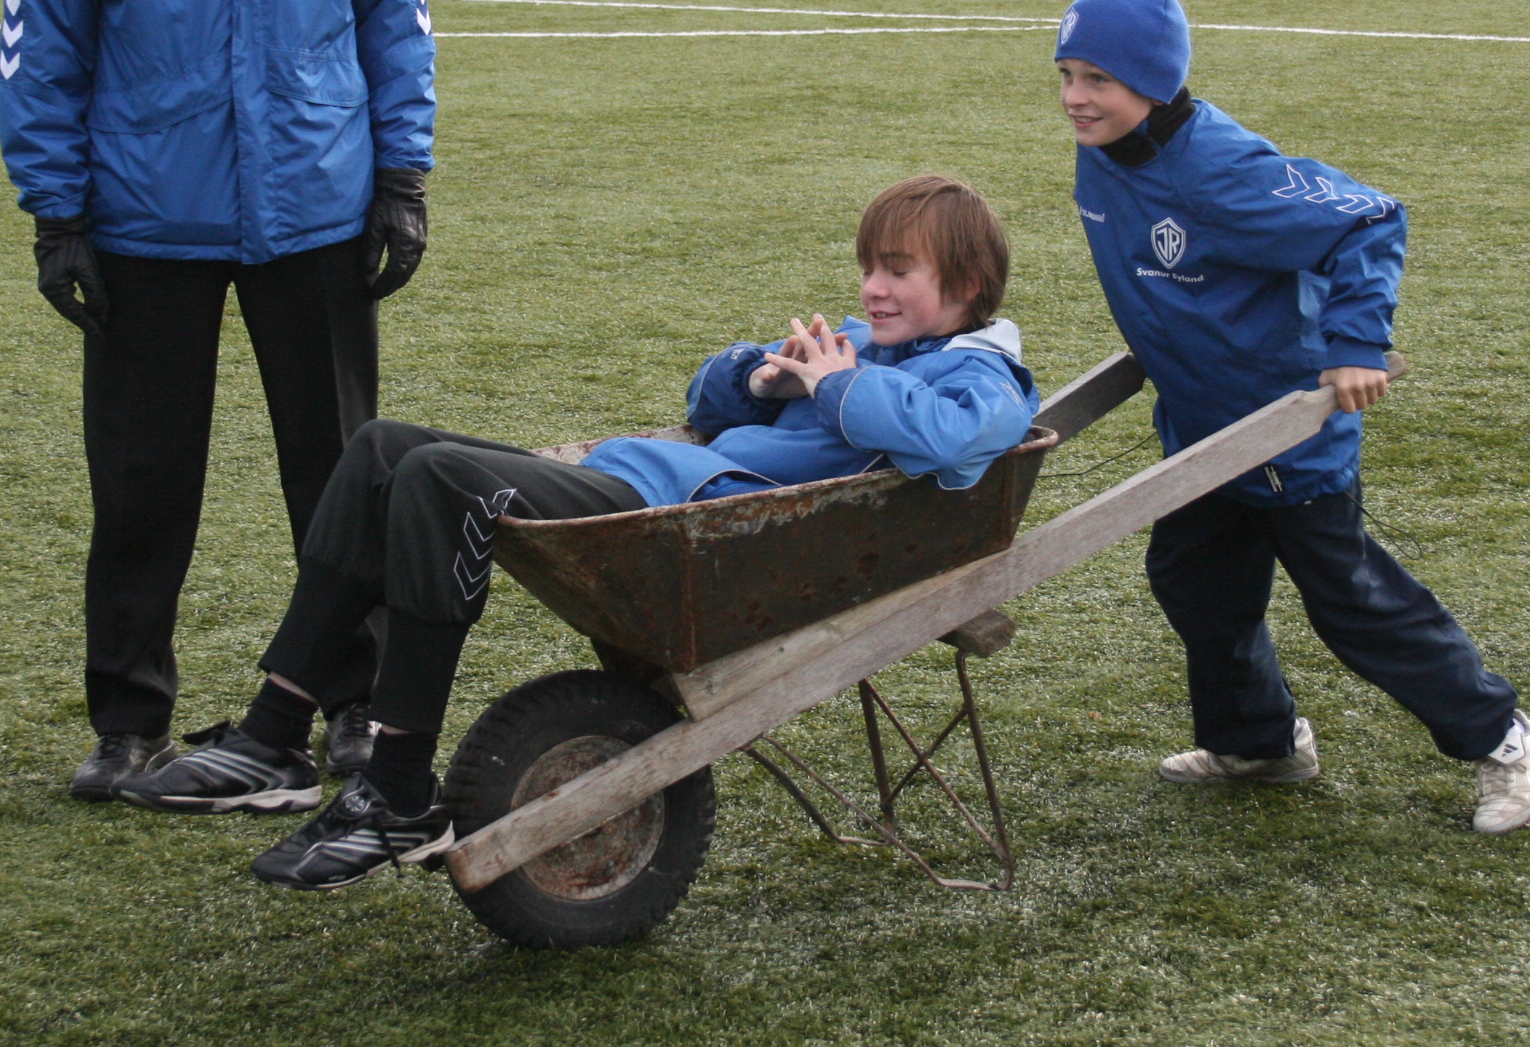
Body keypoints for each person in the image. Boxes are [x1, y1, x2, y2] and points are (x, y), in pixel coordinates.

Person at [119, 175, 1043, 892]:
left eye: (899, 271)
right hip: (651, 487)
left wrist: (836, 386)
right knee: (377, 451)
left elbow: (950, 439)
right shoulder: (861, 343)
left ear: (964, 284)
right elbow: (707, 409)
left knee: (438, 480)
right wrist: (758, 378)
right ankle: (275, 734)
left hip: (686, 522)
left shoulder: (981, 374)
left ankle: (397, 790)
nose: (873, 288)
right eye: (870, 266)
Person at [0, 0, 436, 803]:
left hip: (316, 208)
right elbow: (42, 42)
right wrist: (57, 213)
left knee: (340, 476)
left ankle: (354, 706)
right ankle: (129, 718)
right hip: (147, 221)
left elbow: (393, 6)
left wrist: (400, 176)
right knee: (140, 484)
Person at [1052, 0, 1530, 834]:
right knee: (1197, 584)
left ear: (1156, 81)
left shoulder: (1220, 170)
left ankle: (1504, 738)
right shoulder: (1106, 153)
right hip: (1201, 433)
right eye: (1066, 75)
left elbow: (1368, 221)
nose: (1075, 97)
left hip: (1282, 435)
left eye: (1098, 78)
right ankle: (1261, 745)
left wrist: (1355, 343)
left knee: (1353, 605)